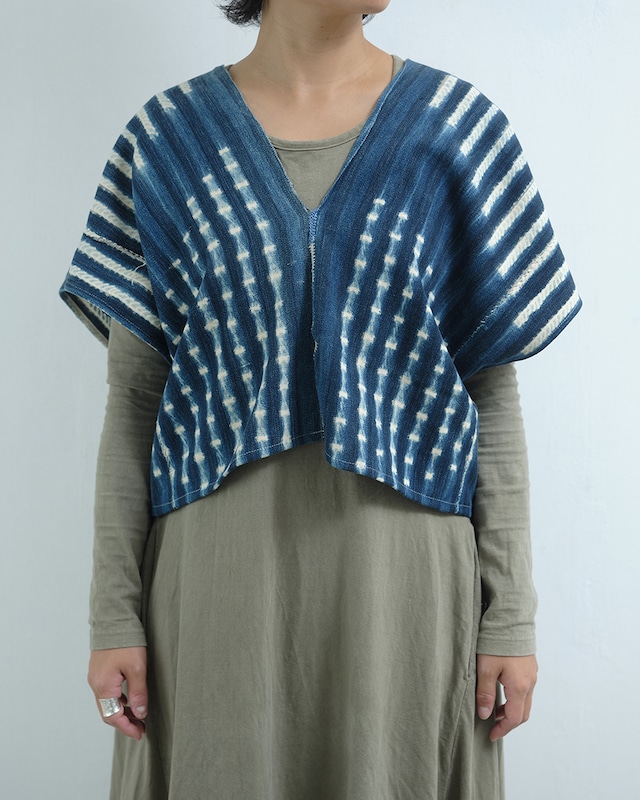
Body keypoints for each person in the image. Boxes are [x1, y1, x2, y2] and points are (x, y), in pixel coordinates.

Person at [60, 1, 581, 798]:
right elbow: (134, 403)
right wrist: (113, 614)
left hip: (404, 593)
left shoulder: (456, 131)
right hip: (216, 591)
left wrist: (510, 613)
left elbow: (490, 396)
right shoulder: (167, 142)